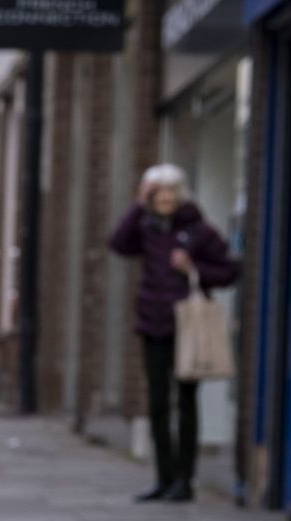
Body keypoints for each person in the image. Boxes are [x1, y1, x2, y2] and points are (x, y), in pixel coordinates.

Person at [107, 164, 240, 502]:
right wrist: (137, 204)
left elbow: (229, 270)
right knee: (157, 403)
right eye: (157, 195)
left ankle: (185, 480)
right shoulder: (145, 226)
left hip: (188, 327)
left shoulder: (199, 231)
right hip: (152, 325)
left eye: (169, 194)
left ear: (179, 196)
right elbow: (118, 243)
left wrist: (193, 268)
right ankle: (163, 477)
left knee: (185, 402)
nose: (164, 200)